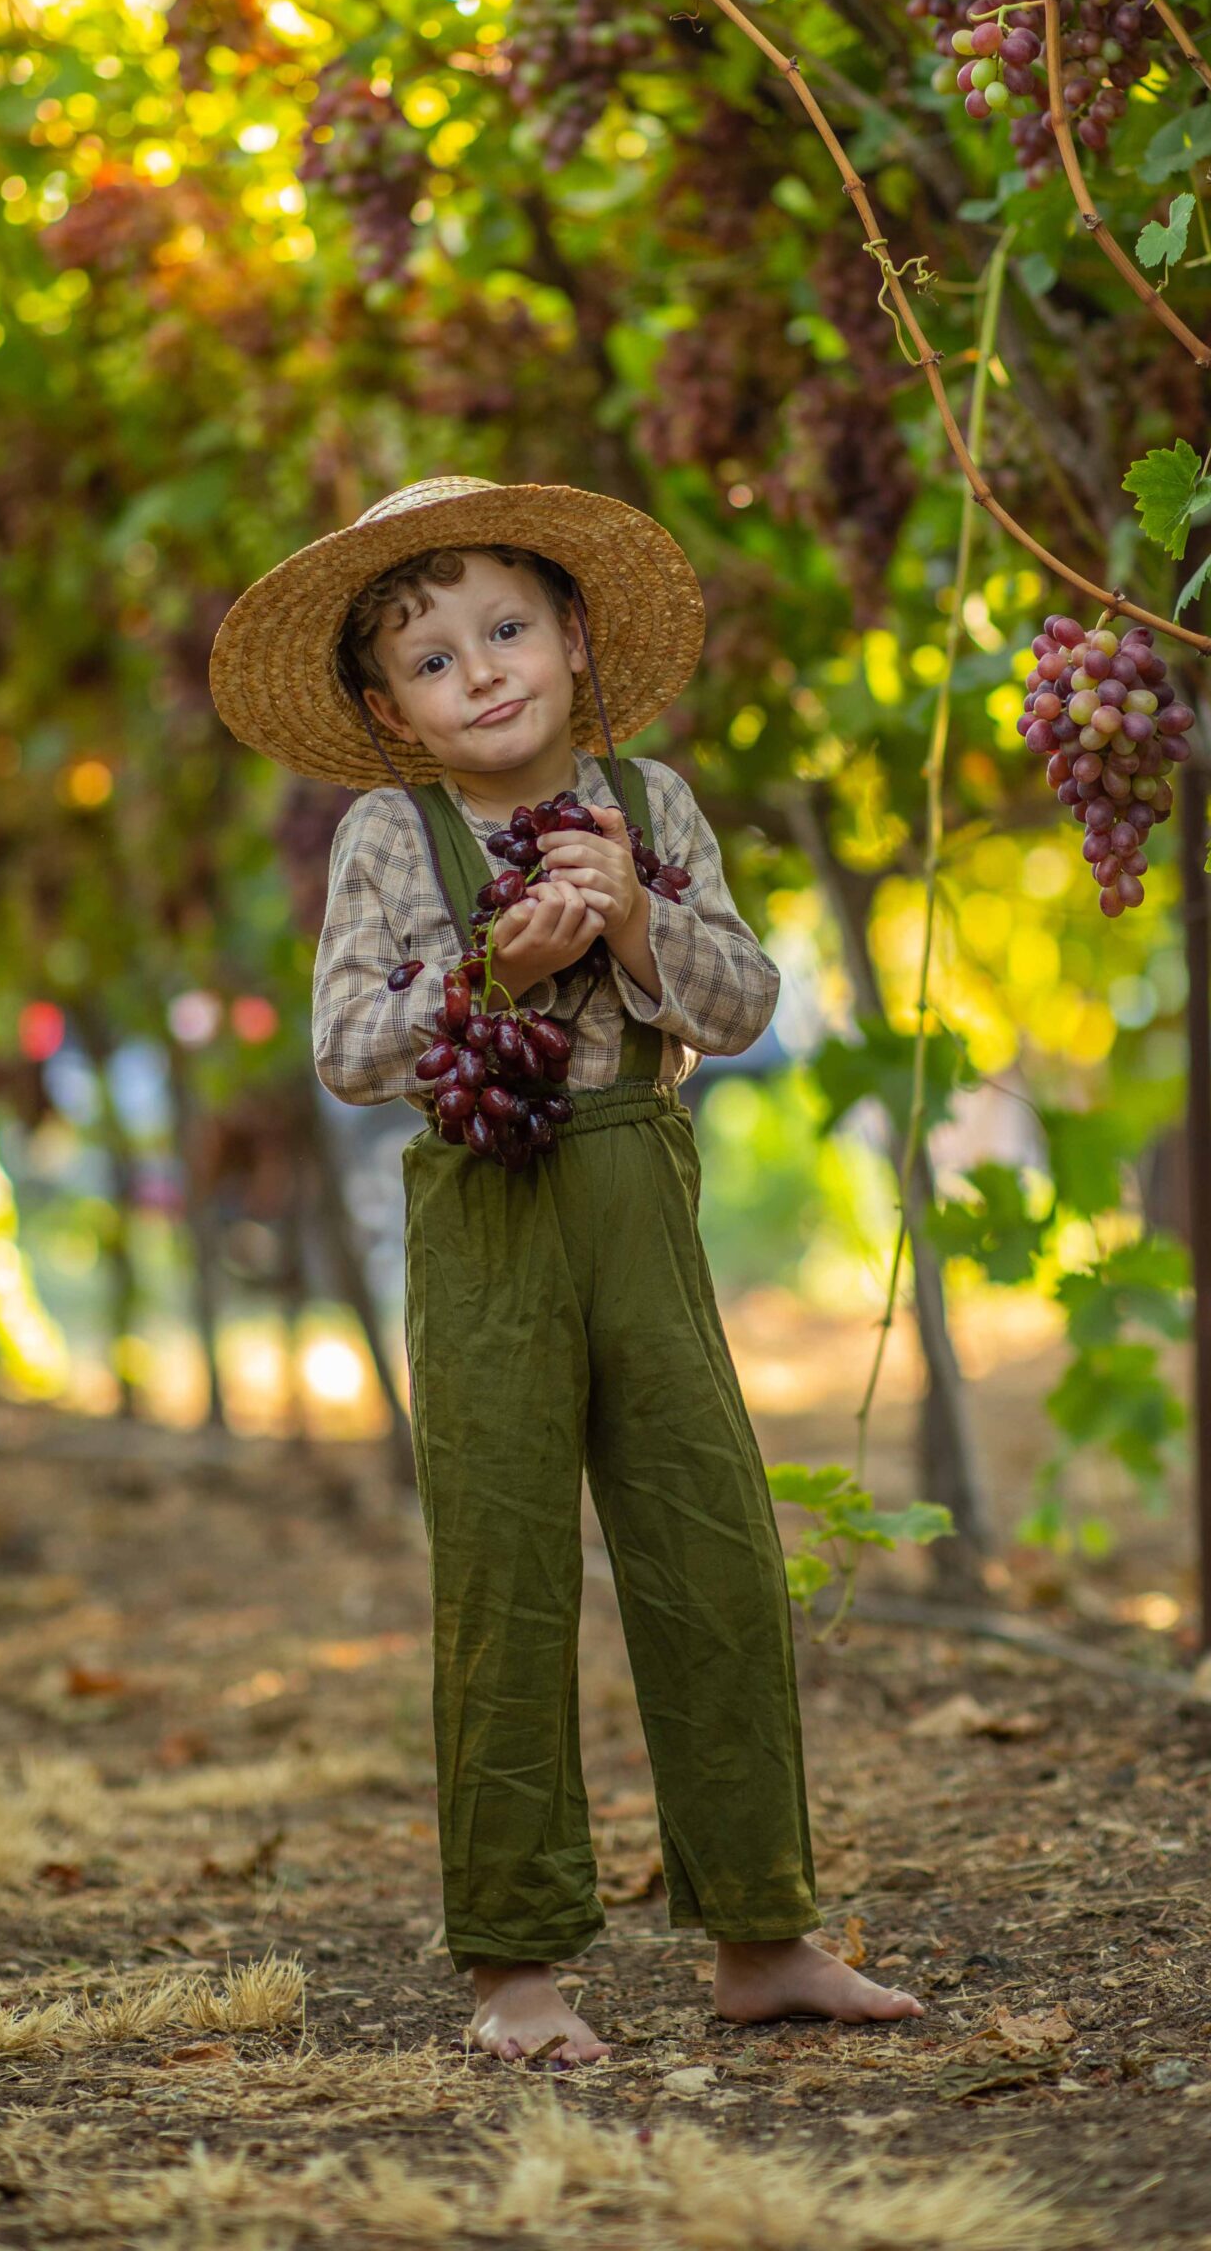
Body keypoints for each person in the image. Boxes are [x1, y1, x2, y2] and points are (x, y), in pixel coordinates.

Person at [210, 474, 924, 2065]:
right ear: (384, 707)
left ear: (576, 633)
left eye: (508, 627)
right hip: (487, 1220)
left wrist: (639, 930)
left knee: (713, 1545)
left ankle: (763, 1929)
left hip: (635, 1191)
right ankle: (516, 1966)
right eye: (434, 658)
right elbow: (342, 1046)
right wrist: (487, 964)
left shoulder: (653, 804)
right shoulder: (391, 840)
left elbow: (740, 1002)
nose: (483, 672)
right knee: (504, 1568)